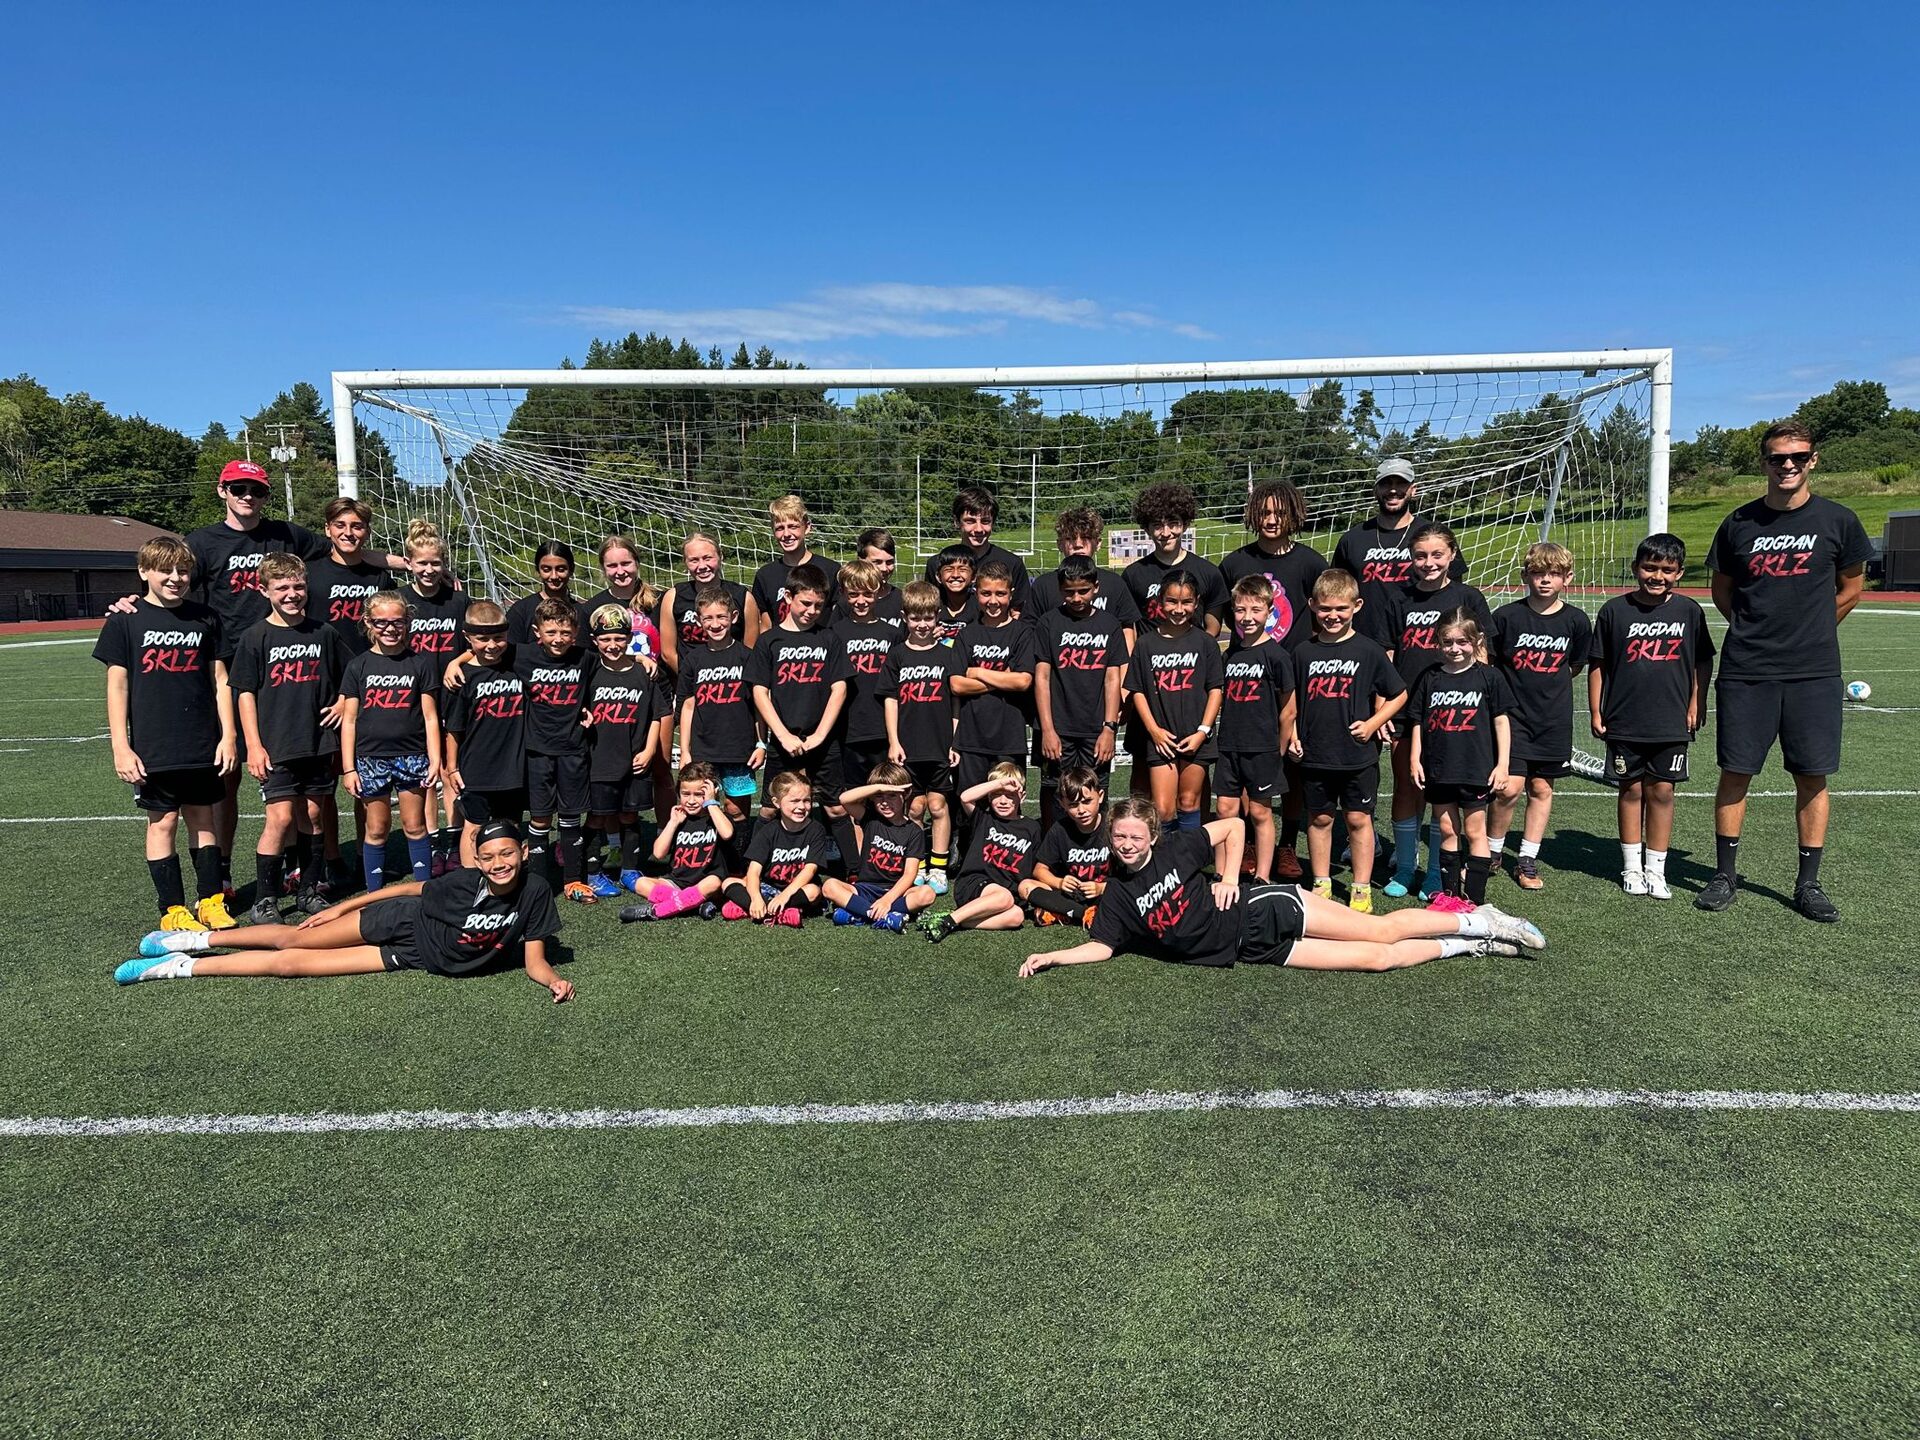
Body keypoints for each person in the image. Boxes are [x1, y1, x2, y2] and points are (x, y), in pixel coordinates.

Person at [1017, 799, 1545, 978]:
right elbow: (1103, 946)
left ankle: (1484, 918)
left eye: (1135, 836)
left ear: (1152, 834)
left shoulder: (1178, 847)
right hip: (1254, 950)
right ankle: (1475, 944)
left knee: (1380, 930)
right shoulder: (1116, 895)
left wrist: (1227, 877)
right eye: (1119, 837)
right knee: (1375, 961)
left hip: (1267, 908)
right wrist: (1053, 956)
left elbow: (1234, 827)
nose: (1127, 845)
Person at [1699, 421, 1873, 921]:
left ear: (1813, 459)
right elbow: (1723, 592)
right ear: (1765, 463)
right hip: (1747, 668)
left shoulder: (1839, 520)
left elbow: (1851, 589)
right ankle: (1725, 873)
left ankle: (1808, 883)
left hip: (1813, 671)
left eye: (1798, 456)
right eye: (1778, 458)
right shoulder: (1738, 523)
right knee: (1736, 772)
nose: (1788, 465)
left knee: (1812, 776)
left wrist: (1812, 630)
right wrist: (1757, 631)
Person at [116, 819, 572, 1004]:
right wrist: (339, 908)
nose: (499, 865)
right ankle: (192, 940)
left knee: (292, 967)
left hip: (413, 955)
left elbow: (534, 958)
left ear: (525, 852)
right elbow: (408, 891)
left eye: (507, 854)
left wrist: (553, 980)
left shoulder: (534, 892)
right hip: (399, 921)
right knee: (292, 937)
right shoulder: (461, 882)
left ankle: (176, 968)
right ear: (477, 859)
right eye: (489, 857)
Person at [95, 536, 238, 932]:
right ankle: (172, 908)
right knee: (162, 823)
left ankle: (209, 901)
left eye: (183, 570)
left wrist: (228, 736)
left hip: (201, 741)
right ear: (144, 572)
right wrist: (121, 747)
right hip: (154, 745)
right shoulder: (125, 620)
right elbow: (117, 686)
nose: (175, 578)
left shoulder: (205, 617)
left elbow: (220, 680)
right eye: (165, 570)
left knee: (203, 819)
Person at [1588, 534, 1715, 899]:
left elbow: (1701, 660)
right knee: (1630, 791)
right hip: (1624, 719)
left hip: (1671, 720)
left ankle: (1656, 870)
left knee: (1662, 792)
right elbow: (1598, 663)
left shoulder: (1689, 611)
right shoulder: (1614, 611)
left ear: (1679, 573)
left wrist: (1697, 702)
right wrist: (1596, 710)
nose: (1657, 576)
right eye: (1650, 567)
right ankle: (1630, 867)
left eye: (1667, 570)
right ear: (1635, 568)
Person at [231, 553, 347, 922]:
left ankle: (308, 890)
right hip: (276, 744)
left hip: (317, 742)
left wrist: (344, 702)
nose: (292, 594)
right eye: (282, 587)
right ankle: (264, 899)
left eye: (298, 586)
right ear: (264, 590)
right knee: (280, 819)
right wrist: (253, 744)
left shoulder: (324, 632)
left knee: (313, 817)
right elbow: (245, 692)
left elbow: (350, 675)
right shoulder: (255, 637)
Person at [1382, 523, 1492, 900]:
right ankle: (1407, 867)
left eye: (1437, 554)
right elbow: (1388, 654)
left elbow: (1481, 654)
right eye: (1420, 555)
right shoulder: (1399, 598)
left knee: (1438, 793)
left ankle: (1434, 873)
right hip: (1404, 709)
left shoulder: (1468, 596)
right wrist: (1382, 707)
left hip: (1455, 713)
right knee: (1405, 785)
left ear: (1452, 556)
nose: (1428, 562)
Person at [1289, 569, 1406, 911]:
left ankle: (1360, 887)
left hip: (1357, 756)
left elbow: (1398, 694)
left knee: (1358, 819)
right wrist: (1293, 733)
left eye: (1341, 608)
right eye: (1324, 608)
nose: (1332, 616)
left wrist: (1373, 724)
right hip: (1315, 753)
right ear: (1312, 605)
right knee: (1320, 819)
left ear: (1357, 605)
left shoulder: (1369, 650)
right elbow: (1291, 701)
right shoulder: (1302, 652)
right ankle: (1322, 883)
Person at [1486, 542, 1590, 890]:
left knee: (1542, 788)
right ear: (1525, 576)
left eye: (1554, 574)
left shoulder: (1576, 620)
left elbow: (1574, 666)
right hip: (1513, 718)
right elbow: (1493, 663)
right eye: (1538, 573)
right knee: (1508, 789)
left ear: (1567, 578)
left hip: (1553, 720)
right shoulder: (1506, 617)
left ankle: (1527, 859)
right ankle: (1492, 851)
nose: (1545, 580)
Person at [338, 590, 443, 903]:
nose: (390, 628)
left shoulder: (420, 664)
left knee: (415, 824)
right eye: (381, 622)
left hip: (413, 757)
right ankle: (374, 895)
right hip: (371, 759)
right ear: (369, 623)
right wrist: (348, 767)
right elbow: (350, 721)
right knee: (377, 828)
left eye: (397, 622)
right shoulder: (358, 666)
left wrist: (435, 759)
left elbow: (429, 716)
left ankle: (424, 892)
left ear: (407, 622)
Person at [1408, 613, 1511, 909]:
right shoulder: (1430, 677)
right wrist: (1415, 759)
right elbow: (1418, 721)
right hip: (1439, 768)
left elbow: (1501, 722)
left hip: (1475, 768)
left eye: (1462, 642)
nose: (1455, 648)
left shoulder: (1489, 676)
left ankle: (1475, 901)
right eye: (1448, 642)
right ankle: (1451, 898)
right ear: (1438, 643)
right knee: (1448, 830)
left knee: (1475, 831)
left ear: (1476, 641)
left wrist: (1502, 764)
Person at [746, 563, 851, 821]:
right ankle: (755, 861)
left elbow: (840, 688)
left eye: (818, 605)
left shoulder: (829, 638)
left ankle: (851, 863)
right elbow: (760, 691)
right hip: (783, 740)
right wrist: (781, 735)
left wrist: (820, 735)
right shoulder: (769, 641)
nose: (812, 611)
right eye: (805, 603)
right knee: (771, 808)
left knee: (835, 807)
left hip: (823, 739)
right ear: (788, 597)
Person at [1124, 569, 1224, 827]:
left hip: (1196, 737)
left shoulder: (1206, 643)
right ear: (1160, 601)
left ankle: (1188, 864)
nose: (1179, 609)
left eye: (1186, 602)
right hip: (1161, 739)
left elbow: (1215, 690)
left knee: (1190, 802)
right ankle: (1166, 863)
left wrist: (1203, 731)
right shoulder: (1146, 644)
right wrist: (1154, 731)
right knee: (1164, 808)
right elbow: (1138, 691)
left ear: (1197, 602)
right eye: (1172, 601)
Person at [1032, 556, 1126, 830]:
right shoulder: (1049, 622)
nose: (1076, 597)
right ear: (1060, 590)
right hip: (1057, 729)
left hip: (1095, 730)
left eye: (1083, 591)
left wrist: (1109, 729)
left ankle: (1098, 849)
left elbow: (1112, 679)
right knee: (1055, 790)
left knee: (1096, 790)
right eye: (1069, 591)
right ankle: (1053, 849)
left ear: (1096, 587)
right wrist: (1048, 729)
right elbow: (1042, 677)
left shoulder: (1109, 624)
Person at [1332, 457, 1465, 645]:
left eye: (1401, 483)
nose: (1393, 490)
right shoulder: (1352, 539)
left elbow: (1455, 592)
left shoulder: (1436, 536)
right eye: (1386, 483)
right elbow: (1336, 592)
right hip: (1365, 643)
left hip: (1422, 645)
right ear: (1375, 490)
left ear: (1413, 489)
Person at [398, 520, 468, 874]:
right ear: (408, 563)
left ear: (444, 564)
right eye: (422, 563)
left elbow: (481, 644)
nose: (429, 570)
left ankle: (453, 843)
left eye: (435, 563)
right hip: (413, 702)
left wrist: (457, 660)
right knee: (426, 775)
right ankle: (432, 844)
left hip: (454, 699)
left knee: (450, 771)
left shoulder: (458, 601)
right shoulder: (401, 602)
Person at [579, 604, 662, 899]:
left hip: (635, 759)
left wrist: (651, 748)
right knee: (597, 817)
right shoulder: (588, 670)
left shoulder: (643, 672)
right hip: (599, 760)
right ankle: (591, 872)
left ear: (629, 637)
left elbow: (656, 714)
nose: (612, 645)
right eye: (605, 639)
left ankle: (629, 870)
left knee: (629, 815)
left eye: (619, 638)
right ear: (594, 639)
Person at [880, 580, 958, 891]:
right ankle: (918, 864)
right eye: (915, 618)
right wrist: (893, 741)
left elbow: (956, 701)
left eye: (928, 618)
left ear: (937, 616)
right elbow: (890, 699)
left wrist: (954, 741)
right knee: (913, 807)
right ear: (904, 617)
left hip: (939, 745)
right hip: (908, 747)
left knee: (938, 806)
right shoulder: (897, 655)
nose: (922, 624)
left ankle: (938, 868)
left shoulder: (948, 654)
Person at [1216, 577, 1296, 882]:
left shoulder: (1277, 655)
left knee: (1261, 813)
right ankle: (1223, 873)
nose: (1247, 617)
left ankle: (1263, 877)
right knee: (1225, 809)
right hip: (1229, 746)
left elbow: (1288, 709)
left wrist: (1278, 747)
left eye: (1255, 610)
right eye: (1240, 610)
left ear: (1269, 611)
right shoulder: (1229, 655)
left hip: (1262, 748)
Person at [439, 600, 529, 864]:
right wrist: (452, 768)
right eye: (482, 639)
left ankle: (511, 879)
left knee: (511, 826)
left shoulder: (517, 662)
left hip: (514, 766)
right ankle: (470, 882)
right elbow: (454, 728)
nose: (491, 646)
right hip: (476, 767)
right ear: (467, 637)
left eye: (499, 638)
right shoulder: (462, 677)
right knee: (474, 828)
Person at [516, 600, 594, 900]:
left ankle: (572, 880)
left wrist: (642, 661)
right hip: (537, 751)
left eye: (565, 632)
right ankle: (538, 882)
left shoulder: (584, 658)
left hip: (574, 749)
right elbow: (488, 652)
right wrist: (458, 663)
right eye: (551, 632)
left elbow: (614, 663)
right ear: (537, 632)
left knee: (571, 816)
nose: (558, 638)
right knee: (539, 817)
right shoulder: (523, 655)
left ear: (575, 632)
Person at [675, 585, 766, 829]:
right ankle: (708, 862)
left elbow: (759, 706)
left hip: (739, 748)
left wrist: (760, 743)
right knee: (701, 807)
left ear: (734, 617)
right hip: (704, 749)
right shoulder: (693, 659)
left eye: (721, 617)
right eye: (708, 618)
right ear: (698, 620)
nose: (715, 624)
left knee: (735, 809)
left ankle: (737, 862)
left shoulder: (747, 657)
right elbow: (687, 706)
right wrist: (685, 750)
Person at [826, 559, 900, 853]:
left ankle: (891, 851)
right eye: (853, 594)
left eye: (867, 594)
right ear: (843, 593)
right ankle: (860, 859)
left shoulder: (892, 634)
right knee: (853, 797)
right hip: (848, 729)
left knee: (887, 795)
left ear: (878, 592)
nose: (860, 600)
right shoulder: (834, 633)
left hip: (882, 728)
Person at [950, 560, 1036, 809]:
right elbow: (957, 685)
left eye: (1000, 594)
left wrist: (977, 672)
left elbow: (1022, 681)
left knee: (1008, 805)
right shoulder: (967, 634)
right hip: (971, 737)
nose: (993, 601)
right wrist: (1001, 678)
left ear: (1011, 594)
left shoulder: (1022, 633)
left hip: (1009, 737)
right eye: (986, 593)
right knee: (970, 808)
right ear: (977, 593)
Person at [920, 763, 1040, 941]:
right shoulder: (984, 818)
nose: (1003, 801)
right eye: (997, 795)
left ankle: (955, 919)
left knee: (1017, 916)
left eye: (1010, 796)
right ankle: (949, 921)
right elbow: (965, 797)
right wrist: (1000, 783)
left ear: (1022, 797)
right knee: (1004, 897)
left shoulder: (1032, 827)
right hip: (974, 883)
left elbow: (1035, 865)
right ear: (989, 796)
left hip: (1004, 894)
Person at [823, 764, 937, 930]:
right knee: (829, 886)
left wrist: (887, 900)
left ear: (906, 794)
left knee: (927, 894)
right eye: (879, 796)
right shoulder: (870, 818)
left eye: (892, 795)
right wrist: (878, 786)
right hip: (864, 890)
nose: (885, 802)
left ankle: (859, 915)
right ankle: (883, 917)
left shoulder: (914, 831)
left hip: (896, 892)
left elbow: (909, 875)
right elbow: (844, 799)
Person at [621, 763, 736, 921]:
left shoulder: (717, 817)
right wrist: (672, 823)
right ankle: (695, 904)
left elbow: (727, 833)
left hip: (706, 884)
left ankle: (657, 911)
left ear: (711, 792)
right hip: (678, 881)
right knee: (641, 883)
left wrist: (711, 803)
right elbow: (658, 853)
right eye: (685, 794)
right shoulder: (680, 819)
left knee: (713, 882)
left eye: (699, 794)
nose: (691, 800)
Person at [1219, 479, 1327, 647]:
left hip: (1294, 666)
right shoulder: (1233, 564)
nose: (1271, 521)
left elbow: (1321, 619)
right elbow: (1228, 615)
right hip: (1247, 666)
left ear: (1292, 515)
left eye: (1280, 514)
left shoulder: (1312, 564)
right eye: (1264, 513)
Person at [720, 771, 829, 926]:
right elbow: (754, 870)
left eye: (806, 800)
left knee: (814, 892)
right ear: (776, 802)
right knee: (728, 882)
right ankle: (774, 911)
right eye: (794, 801)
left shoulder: (816, 829)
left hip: (796, 889)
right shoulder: (768, 830)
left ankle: (752, 910)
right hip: (767, 887)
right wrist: (756, 897)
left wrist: (784, 896)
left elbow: (810, 870)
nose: (801, 806)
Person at [1122, 482, 1228, 633]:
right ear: (1146, 529)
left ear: (1185, 525)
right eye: (1157, 525)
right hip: (1150, 655)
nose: (1166, 533)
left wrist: (1201, 652)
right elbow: (1128, 627)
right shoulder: (1133, 575)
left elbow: (1213, 628)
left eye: (1173, 524)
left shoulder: (1209, 573)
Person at [1019, 765, 1111, 929]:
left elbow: (1132, 875)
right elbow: (1039, 870)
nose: (1081, 810)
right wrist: (1060, 882)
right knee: (1025, 886)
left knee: (1127, 894)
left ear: (1101, 796)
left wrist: (1101, 888)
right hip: (1070, 895)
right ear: (1062, 804)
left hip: (1103, 892)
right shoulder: (1060, 829)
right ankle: (1083, 914)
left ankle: (1062, 911)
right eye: (1073, 804)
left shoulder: (1113, 827)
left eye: (1087, 801)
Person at [920, 486, 1034, 613]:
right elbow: (927, 610)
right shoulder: (937, 564)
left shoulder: (1012, 564)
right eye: (970, 521)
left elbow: (1020, 612)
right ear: (957, 522)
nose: (979, 529)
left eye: (985, 521)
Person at [1028, 508, 1140, 628]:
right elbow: (1030, 629)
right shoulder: (1043, 585)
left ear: (1098, 543)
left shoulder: (1115, 583)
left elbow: (1127, 628)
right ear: (1059, 544)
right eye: (1070, 538)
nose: (1078, 545)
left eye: (1085, 538)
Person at [658, 531, 749, 677]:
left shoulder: (742, 596)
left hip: (733, 680)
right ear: (685, 562)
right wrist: (692, 679)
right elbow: (668, 653)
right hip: (691, 682)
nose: (702, 566)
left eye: (708, 558)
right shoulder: (673, 597)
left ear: (720, 557)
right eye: (694, 560)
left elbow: (749, 648)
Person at [751, 495, 840, 634]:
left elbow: (839, 620)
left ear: (807, 527)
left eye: (793, 526)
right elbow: (766, 626)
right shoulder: (765, 575)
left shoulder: (831, 570)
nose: (786, 534)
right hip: (782, 652)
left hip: (820, 650)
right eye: (780, 528)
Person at [506, 541, 579, 647]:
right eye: (546, 569)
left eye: (561, 569)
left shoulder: (581, 611)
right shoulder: (521, 612)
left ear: (571, 570)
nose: (554, 576)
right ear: (538, 571)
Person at [833, 528, 904, 628]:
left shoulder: (903, 600)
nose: (884, 568)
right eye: (877, 562)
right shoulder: (849, 602)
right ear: (860, 560)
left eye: (889, 562)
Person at [930, 545, 980, 645]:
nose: (955, 575)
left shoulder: (981, 607)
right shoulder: (929, 604)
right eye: (949, 570)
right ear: (939, 577)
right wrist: (925, 638)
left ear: (974, 576)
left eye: (963, 570)